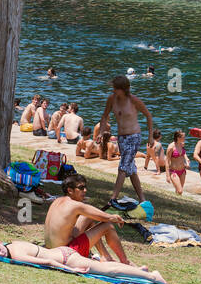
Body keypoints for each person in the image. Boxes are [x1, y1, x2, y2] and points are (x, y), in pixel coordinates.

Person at [0, 238, 163, 284]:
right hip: (61, 251)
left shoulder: (15, 255)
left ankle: (152, 276)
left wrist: (70, 270)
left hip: (66, 259)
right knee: (106, 266)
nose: (1, 253)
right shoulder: (12, 243)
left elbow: (48, 263)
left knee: (109, 271)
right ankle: (141, 270)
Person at [44, 173, 130, 265]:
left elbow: (93, 214)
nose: (85, 190)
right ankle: (125, 262)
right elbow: (104, 217)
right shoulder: (76, 206)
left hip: (50, 251)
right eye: (81, 188)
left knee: (88, 217)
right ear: (70, 190)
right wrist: (116, 218)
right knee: (107, 226)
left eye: (85, 187)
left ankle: (105, 256)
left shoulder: (56, 201)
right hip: (66, 254)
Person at [99, 75, 155, 204]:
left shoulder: (134, 100)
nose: (113, 90)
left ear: (123, 89)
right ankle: (142, 200)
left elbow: (148, 116)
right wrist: (101, 132)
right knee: (131, 169)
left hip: (134, 137)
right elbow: (104, 116)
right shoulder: (111, 99)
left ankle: (113, 199)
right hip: (121, 138)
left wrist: (150, 136)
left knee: (123, 167)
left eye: (116, 88)